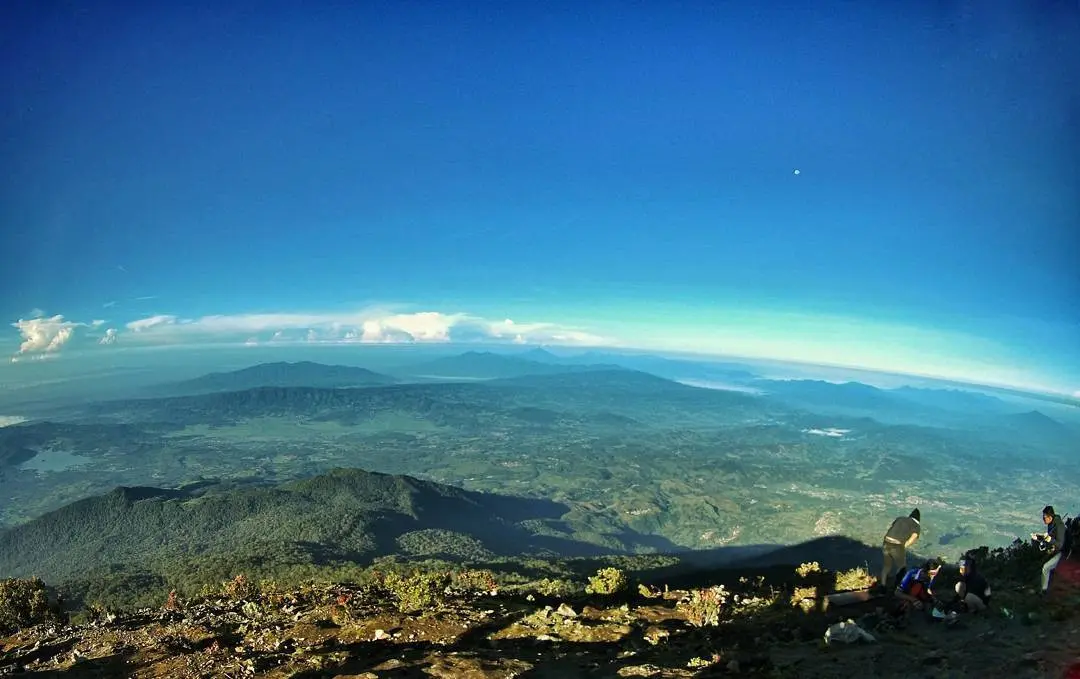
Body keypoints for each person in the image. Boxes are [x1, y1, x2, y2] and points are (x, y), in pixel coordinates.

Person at [880, 508, 921, 590]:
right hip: (896, 545)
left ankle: (882, 587)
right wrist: (904, 546)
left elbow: (893, 527)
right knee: (902, 568)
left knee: (887, 566)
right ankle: (895, 589)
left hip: (886, 542)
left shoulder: (900, 518)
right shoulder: (916, 525)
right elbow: (914, 537)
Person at [1033, 505, 1066, 594]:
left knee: (1045, 568)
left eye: (1044, 517)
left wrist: (1049, 540)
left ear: (1050, 517)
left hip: (1062, 553)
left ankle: (1043, 591)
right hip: (1054, 551)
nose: (1043, 519)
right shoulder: (1051, 524)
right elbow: (1050, 538)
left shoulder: (1059, 526)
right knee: (1040, 563)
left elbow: (1060, 545)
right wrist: (1038, 537)